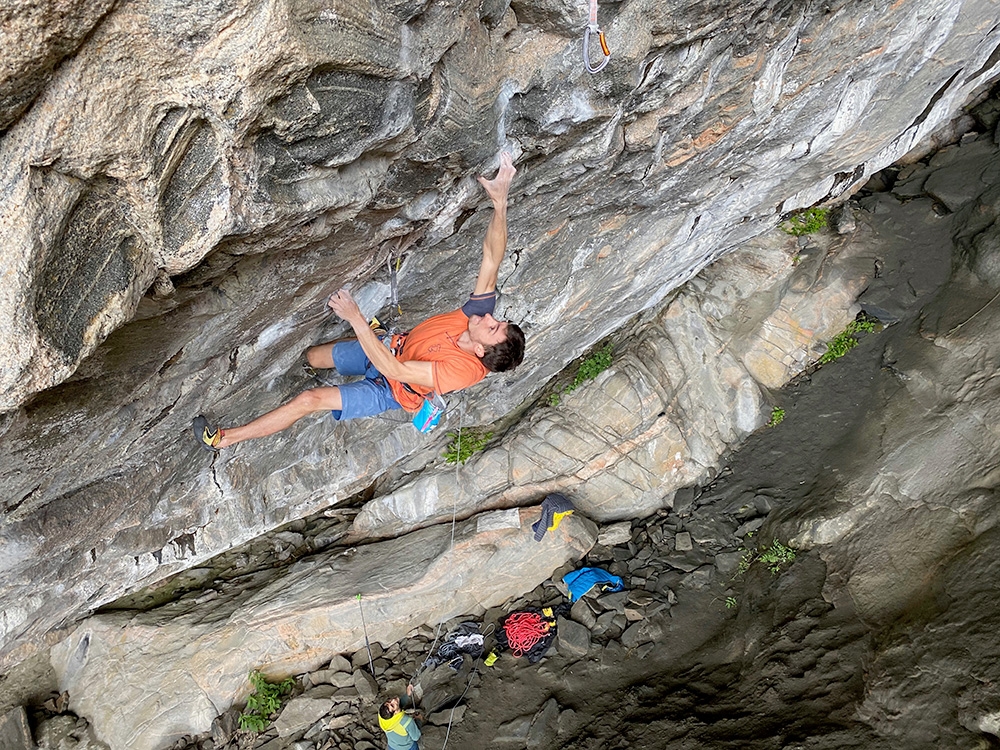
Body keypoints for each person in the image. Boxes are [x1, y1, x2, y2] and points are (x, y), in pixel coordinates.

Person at [193, 152, 525, 450]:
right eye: (498, 320)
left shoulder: (461, 372)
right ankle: (313, 366)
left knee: (309, 399)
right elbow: (492, 258)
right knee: (312, 356)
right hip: (390, 347)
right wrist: (500, 204)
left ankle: (223, 439)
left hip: (390, 390)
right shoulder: (477, 319)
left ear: (480, 350)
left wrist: (355, 318)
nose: (489, 317)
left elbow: (393, 370)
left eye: (492, 327)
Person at [378, 685, 421, 750]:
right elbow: (416, 737)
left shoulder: (382, 716)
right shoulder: (406, 721)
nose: (393, 700)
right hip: (407, 747)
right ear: (395, 713)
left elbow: (398, 707)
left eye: (389, 701)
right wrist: (419, 719)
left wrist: (407, 695)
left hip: (392, 746)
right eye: (392, 705)